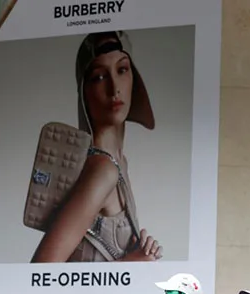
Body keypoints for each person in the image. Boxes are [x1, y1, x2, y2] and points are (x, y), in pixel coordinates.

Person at [31, 31, 163, 263]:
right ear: (85, 89)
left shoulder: (119, 162)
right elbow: (42, 269)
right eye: (99, 77)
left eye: (122, 70)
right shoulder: (103, 170)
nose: (114, 88)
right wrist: (130, 265)